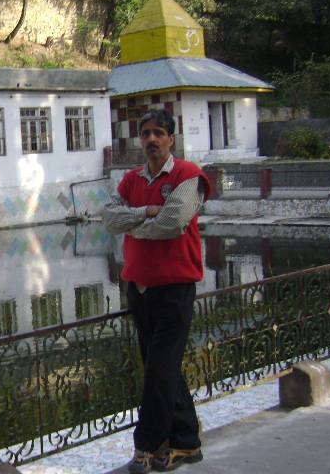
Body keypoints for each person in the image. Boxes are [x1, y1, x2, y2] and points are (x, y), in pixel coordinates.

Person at [102, 108, 211, 473]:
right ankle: (186, 442)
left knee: (160, 371)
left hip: (175, 288)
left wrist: (134, 223)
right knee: (162, 367)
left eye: (158, 133)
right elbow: (109, 218)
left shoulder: (189, 175)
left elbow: (174, 222)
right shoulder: (131, 180)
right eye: (145, 133)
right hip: (140, 289)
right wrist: (148, 210)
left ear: (170, 139)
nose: (150, 139)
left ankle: (145, 446)